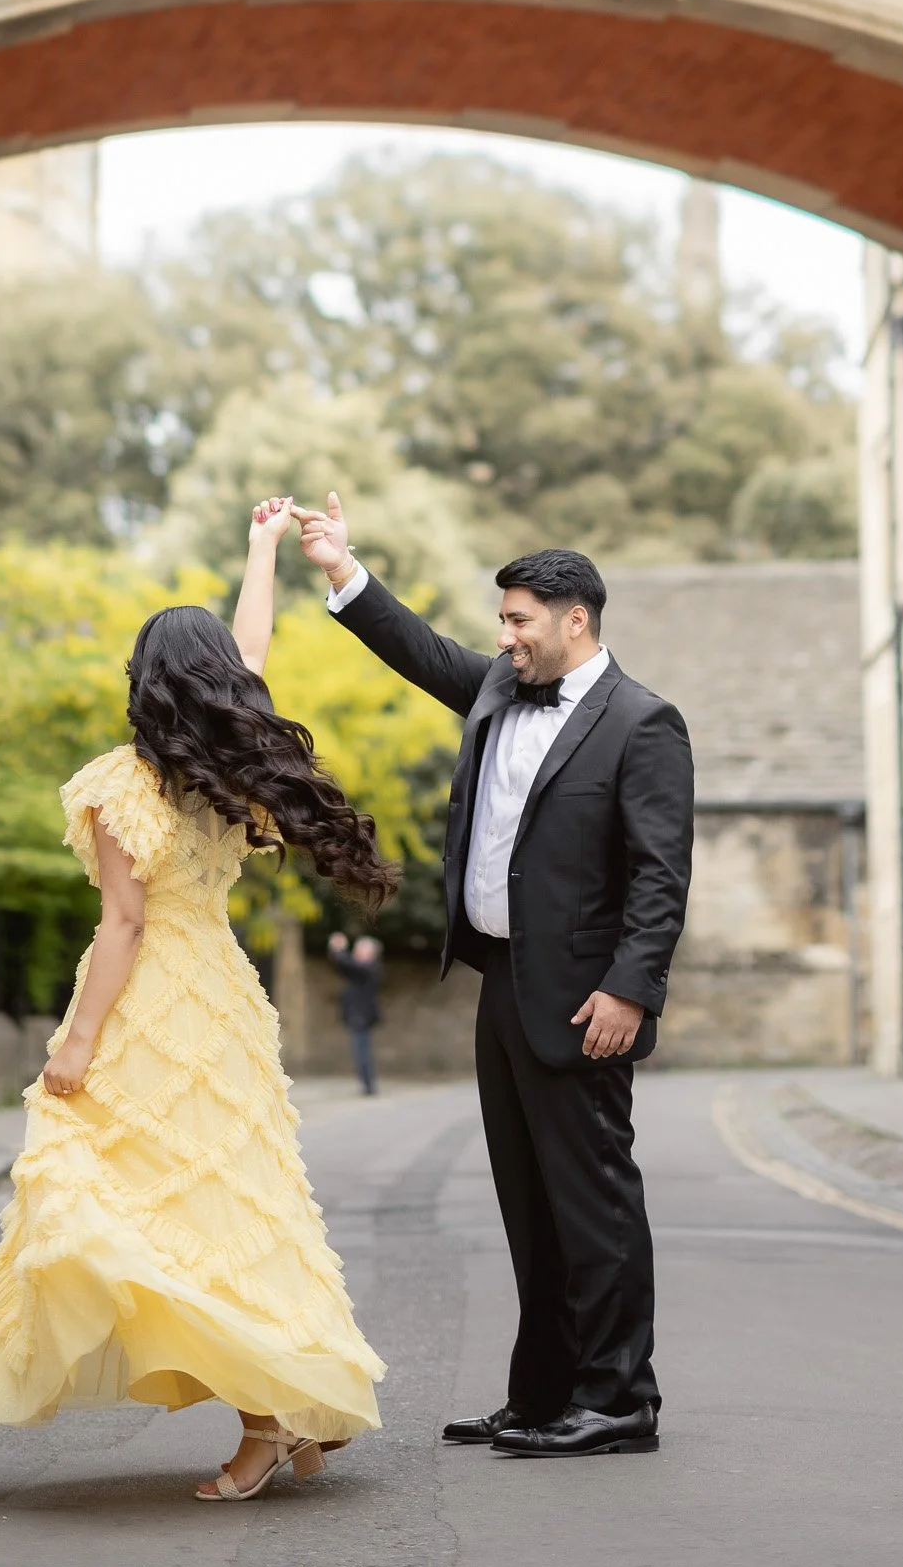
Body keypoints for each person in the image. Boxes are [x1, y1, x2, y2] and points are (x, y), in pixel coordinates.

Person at [0, 497, 392, 1504]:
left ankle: (267, 1420)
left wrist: (76, 1043)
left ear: (146, 680)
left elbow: (123, 927)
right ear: (217, 681)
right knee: (233, 1203)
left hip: (154, 1006)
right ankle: (289, 1405)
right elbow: (250, 652)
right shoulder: (238, 764)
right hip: (223, 1000)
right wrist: (261, 550)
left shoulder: (123, 784)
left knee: (117, 1193)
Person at [297, 493, 694, 1462]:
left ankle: (618, 1399)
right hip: (503, 980)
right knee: (527, 1196)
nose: (505, 635)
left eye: (520, 618)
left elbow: (660, 870)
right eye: (503, 619)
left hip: (585, 995)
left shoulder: (644, 723)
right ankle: (544, 1393)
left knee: (592, 1199)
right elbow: (417, 647)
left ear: (576, 619)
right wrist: (341, 565)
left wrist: (630, 987)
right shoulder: (494, 689)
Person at [328, 930, 385, 1093]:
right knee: (360, 1051)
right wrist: (336, 952)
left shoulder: (370, 968)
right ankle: (367, 1085)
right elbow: (343, 965)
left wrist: (338, 949)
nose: (356, 953)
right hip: (357, 1015)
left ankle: (369, 1086)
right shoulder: (364, 968)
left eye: (360, 950)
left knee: (362, 1052)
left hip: (362, 1016)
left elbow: (347, 963)